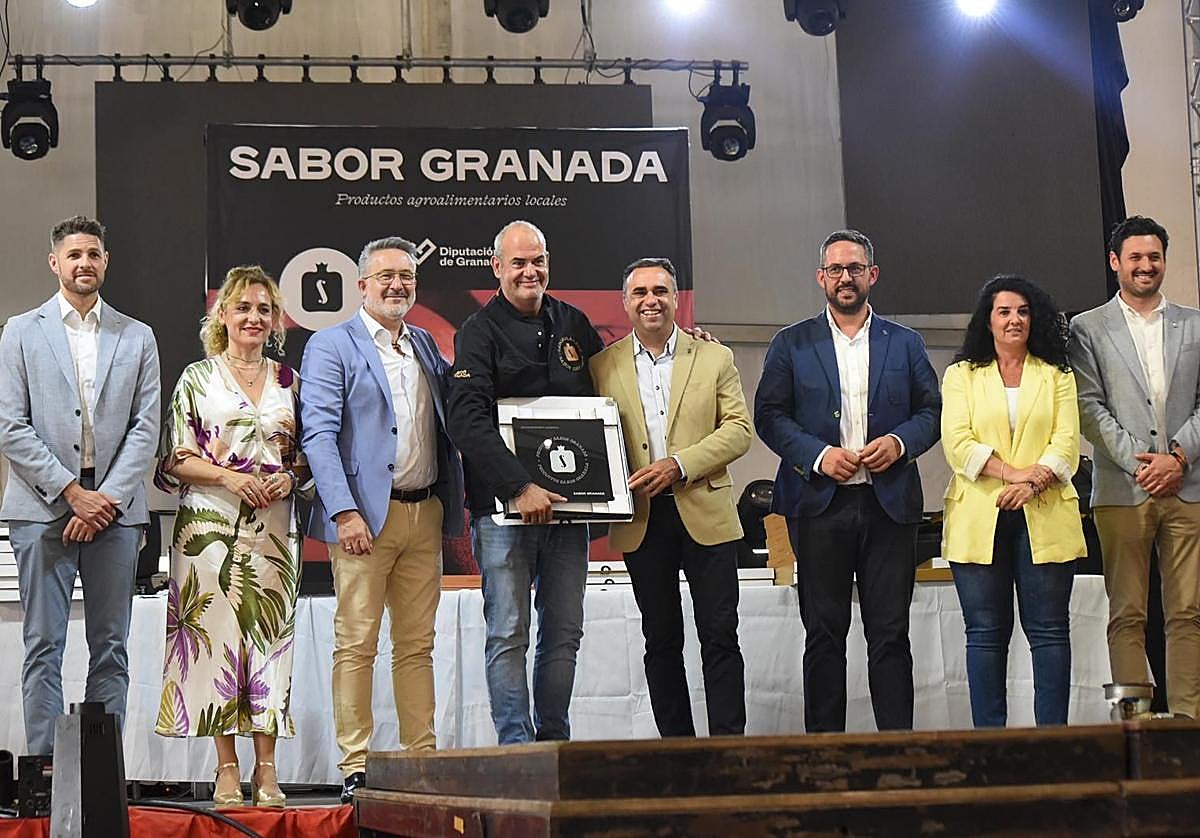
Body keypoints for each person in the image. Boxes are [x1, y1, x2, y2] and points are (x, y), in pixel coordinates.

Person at [755, 228, 941, 733]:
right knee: (823, 634)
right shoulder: (791, 342)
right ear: (821, 278)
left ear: (871, 276)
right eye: (834, 269)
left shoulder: (905, 343)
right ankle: (823, 756)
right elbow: (768, 416)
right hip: (818, 506)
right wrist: (817, 456)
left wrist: (900, 443)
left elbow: (932, 412)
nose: (844, 277)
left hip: (889, 507)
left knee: (890, 634)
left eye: (854, 268)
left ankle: (896, 752)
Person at [301, 237, 464, 803]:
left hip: (426, 512)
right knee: (357, 644)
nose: (398, 285)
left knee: (418, 646)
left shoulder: (424, 343)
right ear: (363, 285)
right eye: (386, 276)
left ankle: (422, 760)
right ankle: (356, 765)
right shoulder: (331, 345)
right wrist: (344, 511)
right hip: (363, 523)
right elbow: (318, 434)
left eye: (407, 276)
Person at [0, 215, 160, 755]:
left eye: (93, 253)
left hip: (115, 510)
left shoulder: (137, 336)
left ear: (105, 262)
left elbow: (146, 428)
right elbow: (9, 426)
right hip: (42, 506)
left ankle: (101, 771)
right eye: (74, 255)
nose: (84, 263)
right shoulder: (21, 331)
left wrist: (104, 499)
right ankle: (46, 774)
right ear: (54, 263)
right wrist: (72, 493)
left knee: (110, 646)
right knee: (43, 643)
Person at [446, 220, 606, 745]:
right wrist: (518, 488)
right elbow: (466, 420)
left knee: (564, 634)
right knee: (509, 632)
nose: (529, 271)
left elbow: (612, 395)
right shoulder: (477, 332)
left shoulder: (575, 324)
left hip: (571, 512)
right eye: (518, 262)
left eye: (537, 260)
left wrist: (683, 339)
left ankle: (554, 744)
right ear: (497, 268)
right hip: (504, 513)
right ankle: (516, 749)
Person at [153, 266, 305, 807]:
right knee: (215, 643)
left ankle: (267, 769)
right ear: (222, 315)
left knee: (268, 639)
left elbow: (307, 455)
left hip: (274, 529)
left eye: (264, 309)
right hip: (208, 531)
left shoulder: (291, 381)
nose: (253, 318)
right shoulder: (197, 377)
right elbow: (175, 456)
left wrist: (290, 476)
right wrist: (229, 476)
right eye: (242, 307)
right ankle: (226, 766)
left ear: (276, 319)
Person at [589, 258, 752, 737]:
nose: (650, 300)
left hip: (706, 510)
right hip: (643, 519)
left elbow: (740, 431)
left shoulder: (714, 357)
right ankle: (675, 753)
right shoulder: (603, 366)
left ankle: (727, 749)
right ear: (625, 303)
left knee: (720, 637)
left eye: (660, 290)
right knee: (660, 640)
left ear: (676, 298)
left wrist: (679, 465)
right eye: (639, 292)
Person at [1069, 216, 1200, 720]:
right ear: (1115, 263)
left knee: (1188, 613)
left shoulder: (1194, 323)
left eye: (1154, 257)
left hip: (1187, 488)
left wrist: (1179, 458)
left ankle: (1188, 726)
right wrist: (1143, 465)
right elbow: (1088, 406)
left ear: (1164, 261)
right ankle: (1136, 726)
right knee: (1127, 614)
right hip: (1123, 492)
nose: (1146, 266)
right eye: (1136, 258)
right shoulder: (1086, 328)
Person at [941, 275, 1084, 727]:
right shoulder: (962, 374)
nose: (1014, 319)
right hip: (977, 517)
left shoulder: (1057, 374)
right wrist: (1012, 474)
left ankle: (1053, 743)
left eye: (1022, 311)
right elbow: (957, 442)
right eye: (1004, 311)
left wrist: (1033, 483)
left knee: (1049, 634)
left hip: (1046, 512)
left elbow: (1066, 442)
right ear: (988, 320)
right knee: (984, 635)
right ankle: (991, 745)